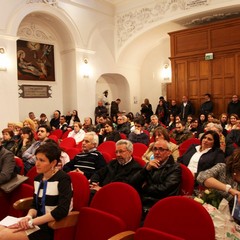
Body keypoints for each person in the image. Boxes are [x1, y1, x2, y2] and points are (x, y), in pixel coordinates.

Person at [0, 142, 73, 240]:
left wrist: (32, 222)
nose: (37, 163)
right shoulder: (38, 178)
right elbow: (34, 204)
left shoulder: (63, 179)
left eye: (42, 160)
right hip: (35, 221)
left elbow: (62, 210)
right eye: (37, 159)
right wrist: (29, 217)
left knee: (3, 236)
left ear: (53, 163)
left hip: (50, 225)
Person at [131, 139, 181, 215]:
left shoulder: (175, 168)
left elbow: (164, 189)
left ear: (169, 153)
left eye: (161, 149)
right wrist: (146, 169)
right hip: (143, 199)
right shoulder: (150, 164)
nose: (157, 152)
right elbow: (133, 182)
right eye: (155, 149)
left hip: (159, 203)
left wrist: (145, 187)